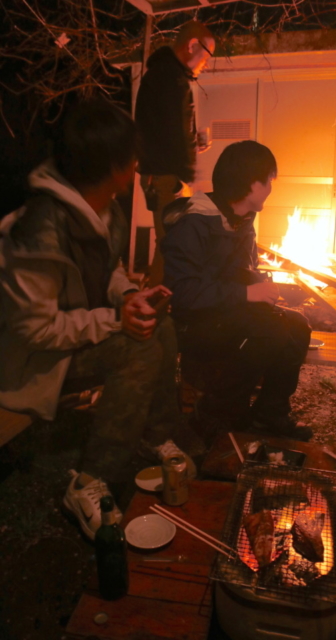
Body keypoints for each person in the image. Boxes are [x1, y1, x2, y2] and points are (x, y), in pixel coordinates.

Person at [0, 99, 195, 541]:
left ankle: (155, 436)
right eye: (132, 157)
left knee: (159, 324)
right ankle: (89, 480)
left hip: (75, 335)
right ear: (114, 167)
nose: (137, 166)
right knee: (137, 348)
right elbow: (33, 330)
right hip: (33, 360)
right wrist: (115, 320)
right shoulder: (37, 231)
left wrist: (129, 297)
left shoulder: (101, 208)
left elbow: (108, 271)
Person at [161, 140, 313, 442]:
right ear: (252, 183)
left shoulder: (241, 221)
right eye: (268, 181)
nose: (270, 188)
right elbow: (184, 292)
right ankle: (214, 415)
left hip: (225, 312)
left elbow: (240, 271)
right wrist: (247, 294)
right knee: (271, 330)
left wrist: (265, 288)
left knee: (298, 325)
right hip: (195, 323)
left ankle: (270, 414)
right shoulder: (194, 224)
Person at [135, 20, 215, 286]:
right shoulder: (169, 78)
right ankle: (153, 305)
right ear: (192, 45)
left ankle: (154, 299)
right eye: (207, 54)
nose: (207, 63)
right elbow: (171, 131)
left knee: (169, 243)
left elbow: (166, 129)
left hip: (167, 175)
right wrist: (188, 173)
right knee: (171, 245)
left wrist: (193, 143)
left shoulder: (166, 75)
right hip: (167, 177)